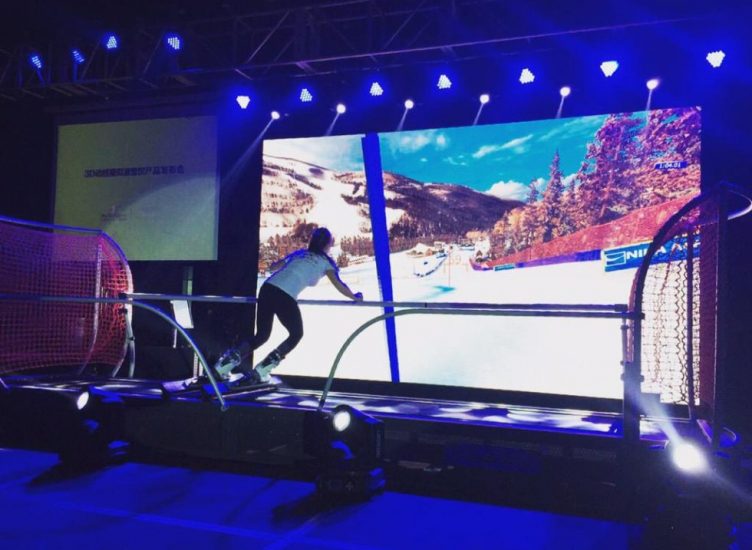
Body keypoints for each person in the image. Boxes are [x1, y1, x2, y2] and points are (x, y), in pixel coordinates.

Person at [215, 227, 363, 384]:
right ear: (327, 245)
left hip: (267, 288)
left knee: (262, 335)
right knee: (296, 334)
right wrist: (355, 296)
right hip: (284, 296)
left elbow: (274, 268)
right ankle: (262, 369)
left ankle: (224, 366)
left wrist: (279, 265)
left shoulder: (299, 254)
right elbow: (339, 285)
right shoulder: (326, 263)